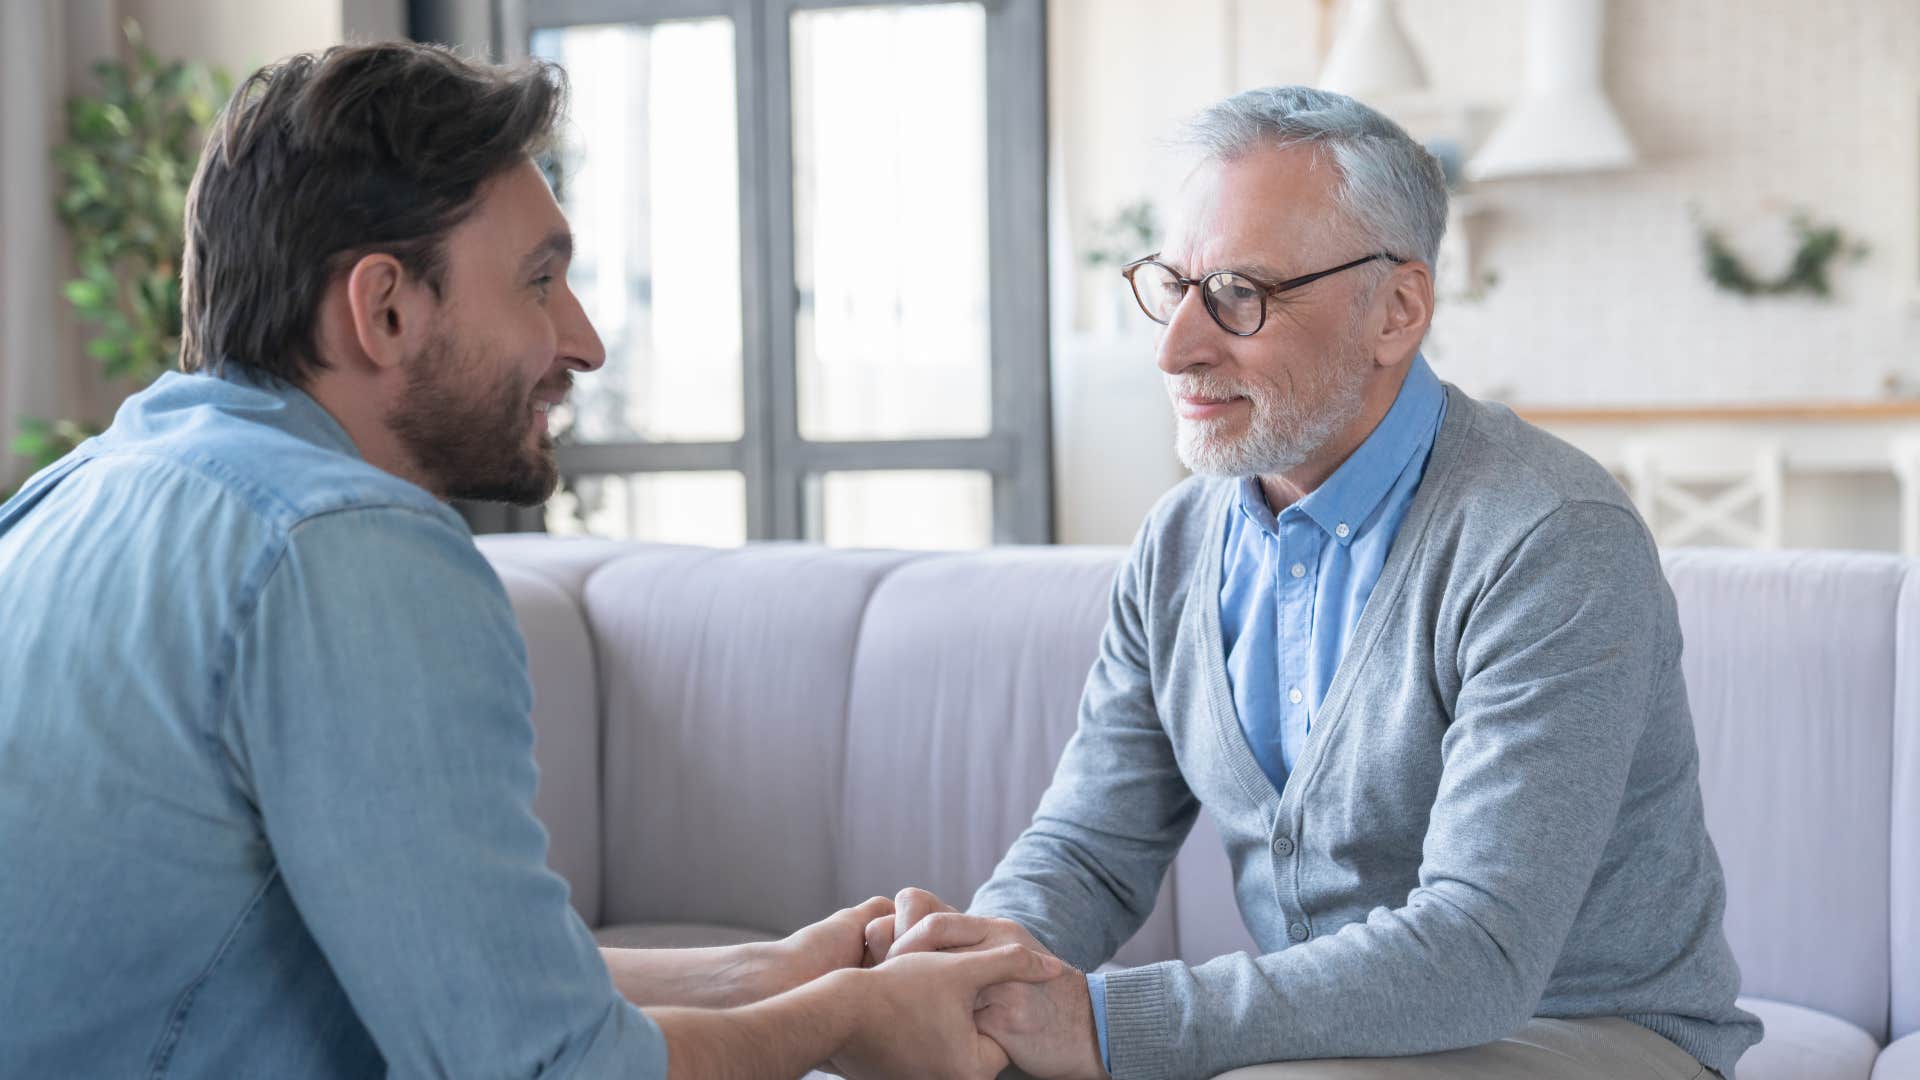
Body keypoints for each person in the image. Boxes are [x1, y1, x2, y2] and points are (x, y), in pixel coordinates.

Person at [0, 42, 1054, 1080]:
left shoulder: (74, 497)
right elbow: (549, 1070)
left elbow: (458, 972)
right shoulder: (349, 547)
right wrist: (851, 1019)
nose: (586, 340)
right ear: (386, 308)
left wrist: (770, 974)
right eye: (539, 281)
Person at [866, 86, 1763, 1080]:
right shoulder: (1177, 543)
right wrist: (980, 971)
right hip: (1352, 1043)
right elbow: (1088, 848)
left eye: (1240, 295)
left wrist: (1102, 1021)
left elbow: (1480, 953)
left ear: (1398, 309)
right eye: (1174, 286)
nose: (1176, 349)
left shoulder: (1547, 539)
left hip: (1595, 1032)